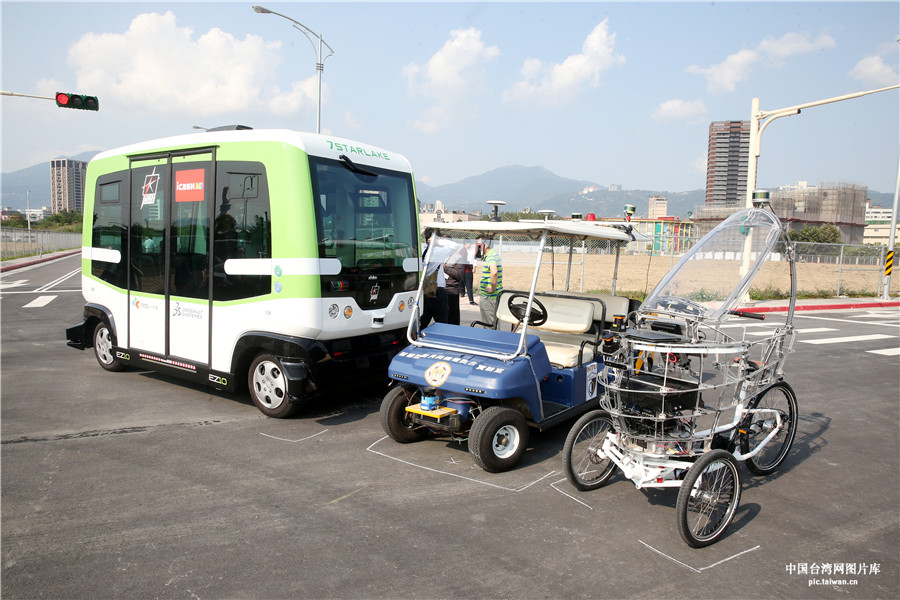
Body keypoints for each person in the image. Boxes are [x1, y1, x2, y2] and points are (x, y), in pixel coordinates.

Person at [478, 236, 503, 326]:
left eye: (479, 244)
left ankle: (491, 338)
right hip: (493, 296)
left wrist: (493, 287)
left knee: (488, 324)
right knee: (494, 322)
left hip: (489, 297)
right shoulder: (493, 254)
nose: (477, 246)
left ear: (486, 245)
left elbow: (494, 271)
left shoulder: (491, 256)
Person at [443, 246, 466, 325]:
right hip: (440, 289)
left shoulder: (458, 258)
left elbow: (459, 275)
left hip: (451, 291)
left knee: (452, 319)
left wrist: (445, 267)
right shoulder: (440, 256)